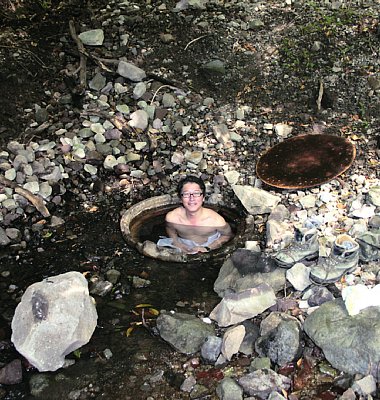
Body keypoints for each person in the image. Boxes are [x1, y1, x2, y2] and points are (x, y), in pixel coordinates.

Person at [157, 176, 233, 254]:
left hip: (210, 245)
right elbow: (170, 229)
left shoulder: (216, 221)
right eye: (186, 194)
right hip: (183, 245)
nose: (191, 198)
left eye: (196, 193)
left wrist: (208, 248)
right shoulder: (172, 218)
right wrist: (177, 243)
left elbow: (227, 235)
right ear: (180, 198)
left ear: (203, 197)